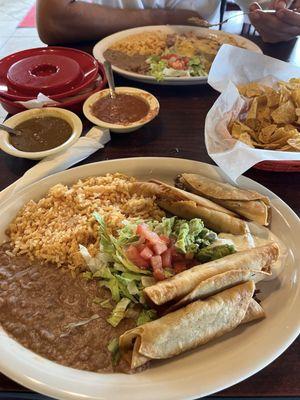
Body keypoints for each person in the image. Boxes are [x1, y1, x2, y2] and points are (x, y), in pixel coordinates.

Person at [36, 0, 300, 45]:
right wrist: (161, 18)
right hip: (93, 77)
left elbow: (277, 9)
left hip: (203, 86)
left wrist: (283, 21)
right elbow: (53, 21)